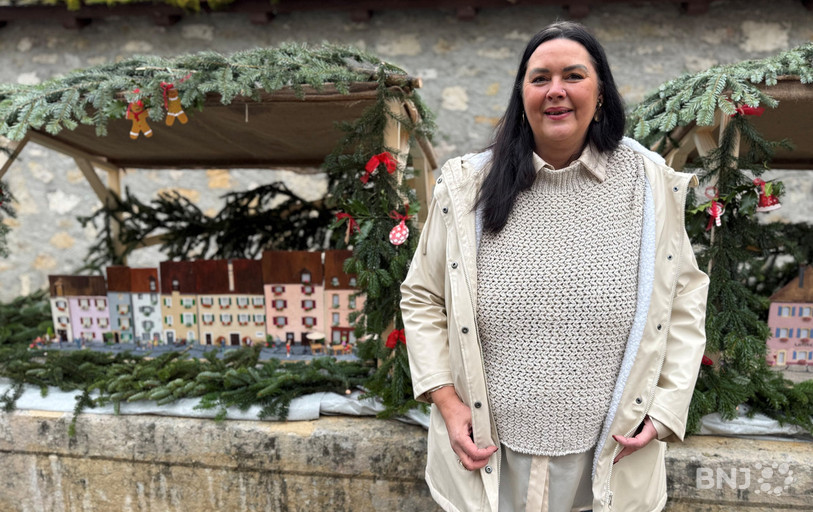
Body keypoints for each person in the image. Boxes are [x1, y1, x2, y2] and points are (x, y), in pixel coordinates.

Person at [400, 21, 709, 512]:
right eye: (539, 78)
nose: (556, 91)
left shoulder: (650, 184)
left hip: (608, 460)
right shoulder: (466, 187)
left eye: (573, 76)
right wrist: (447, 401)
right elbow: (423, 295)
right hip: (488, 460)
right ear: (521, 94)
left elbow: (685, 300)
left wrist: (667, 408)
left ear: (601, 91)